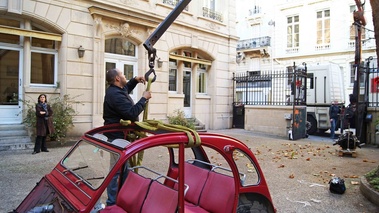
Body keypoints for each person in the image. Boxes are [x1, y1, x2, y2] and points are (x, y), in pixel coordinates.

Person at [103, 68, 152, 206]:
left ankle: (123, 196)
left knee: (124, 168)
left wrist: (135, 80)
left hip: (121, 137)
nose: (125, 76)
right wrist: (144, 98)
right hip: (117, 138)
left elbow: (126, 88)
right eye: (123, 75)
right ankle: (112, 203)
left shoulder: (117, 90)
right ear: (117, 79)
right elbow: (131, 113)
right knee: (116, 170)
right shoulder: (115, 95)